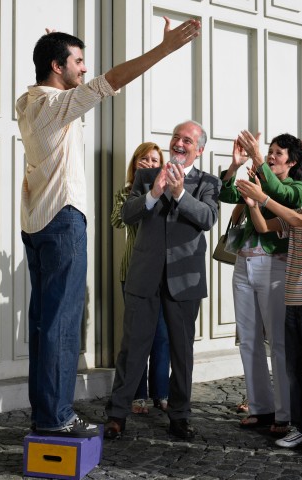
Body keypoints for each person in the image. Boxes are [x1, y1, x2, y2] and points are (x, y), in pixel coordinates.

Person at [16, 19, 201, 438]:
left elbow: (76, 84)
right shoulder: (55, 105)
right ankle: (57, 418)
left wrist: (55, 47)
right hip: (62, 220)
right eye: (77, 61)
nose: (84, 68)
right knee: (62, 326)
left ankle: (46, 414)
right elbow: (111, 80)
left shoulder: (27, 102)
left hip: (36, 224)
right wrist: (164, 49)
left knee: (46, 325)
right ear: (56, 67)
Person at [104, 120, 221, 440]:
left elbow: (208, 218)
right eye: (175, 138)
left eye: (187, 140)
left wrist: (180, 192)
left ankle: (180, 415)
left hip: (185, 281)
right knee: (132, 348)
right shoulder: (144, 177)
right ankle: (117, 414)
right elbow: (126, 215)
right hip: (144, 276)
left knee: (181, 352)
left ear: (199, 150)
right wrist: (155, 192)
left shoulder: (208, 183)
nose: (179, 144)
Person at [236, 168, 302, 455]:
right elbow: (263, 228)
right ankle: (299, 427)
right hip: (293, 299)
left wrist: (264, 196)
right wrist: (253, 205)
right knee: (294, 369)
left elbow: (296, 220)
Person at [219, 131, 302, 435]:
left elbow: (282, 195)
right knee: (249, 341)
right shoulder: (257, 175)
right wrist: (233, 166)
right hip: (243, 263)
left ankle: (285, 414)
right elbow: (226, 194)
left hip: (274, 267)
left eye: (278, 153)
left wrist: (258, 165)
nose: (270, 155)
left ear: (292, 162)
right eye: (269, 150)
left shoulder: (297, 186)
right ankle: (260, 408)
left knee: (278, 343)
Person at [111, 142, 170, 414]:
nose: (148, 163)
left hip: (163, 273)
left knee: (162, 335)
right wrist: (140, 188)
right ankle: (138, 395)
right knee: (137, 337)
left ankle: (162, 393)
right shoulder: (125, 194)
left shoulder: (170, 193)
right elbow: (118, 221)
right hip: (133, 271)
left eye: (154, 159)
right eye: (143, 159)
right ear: (134, 163)